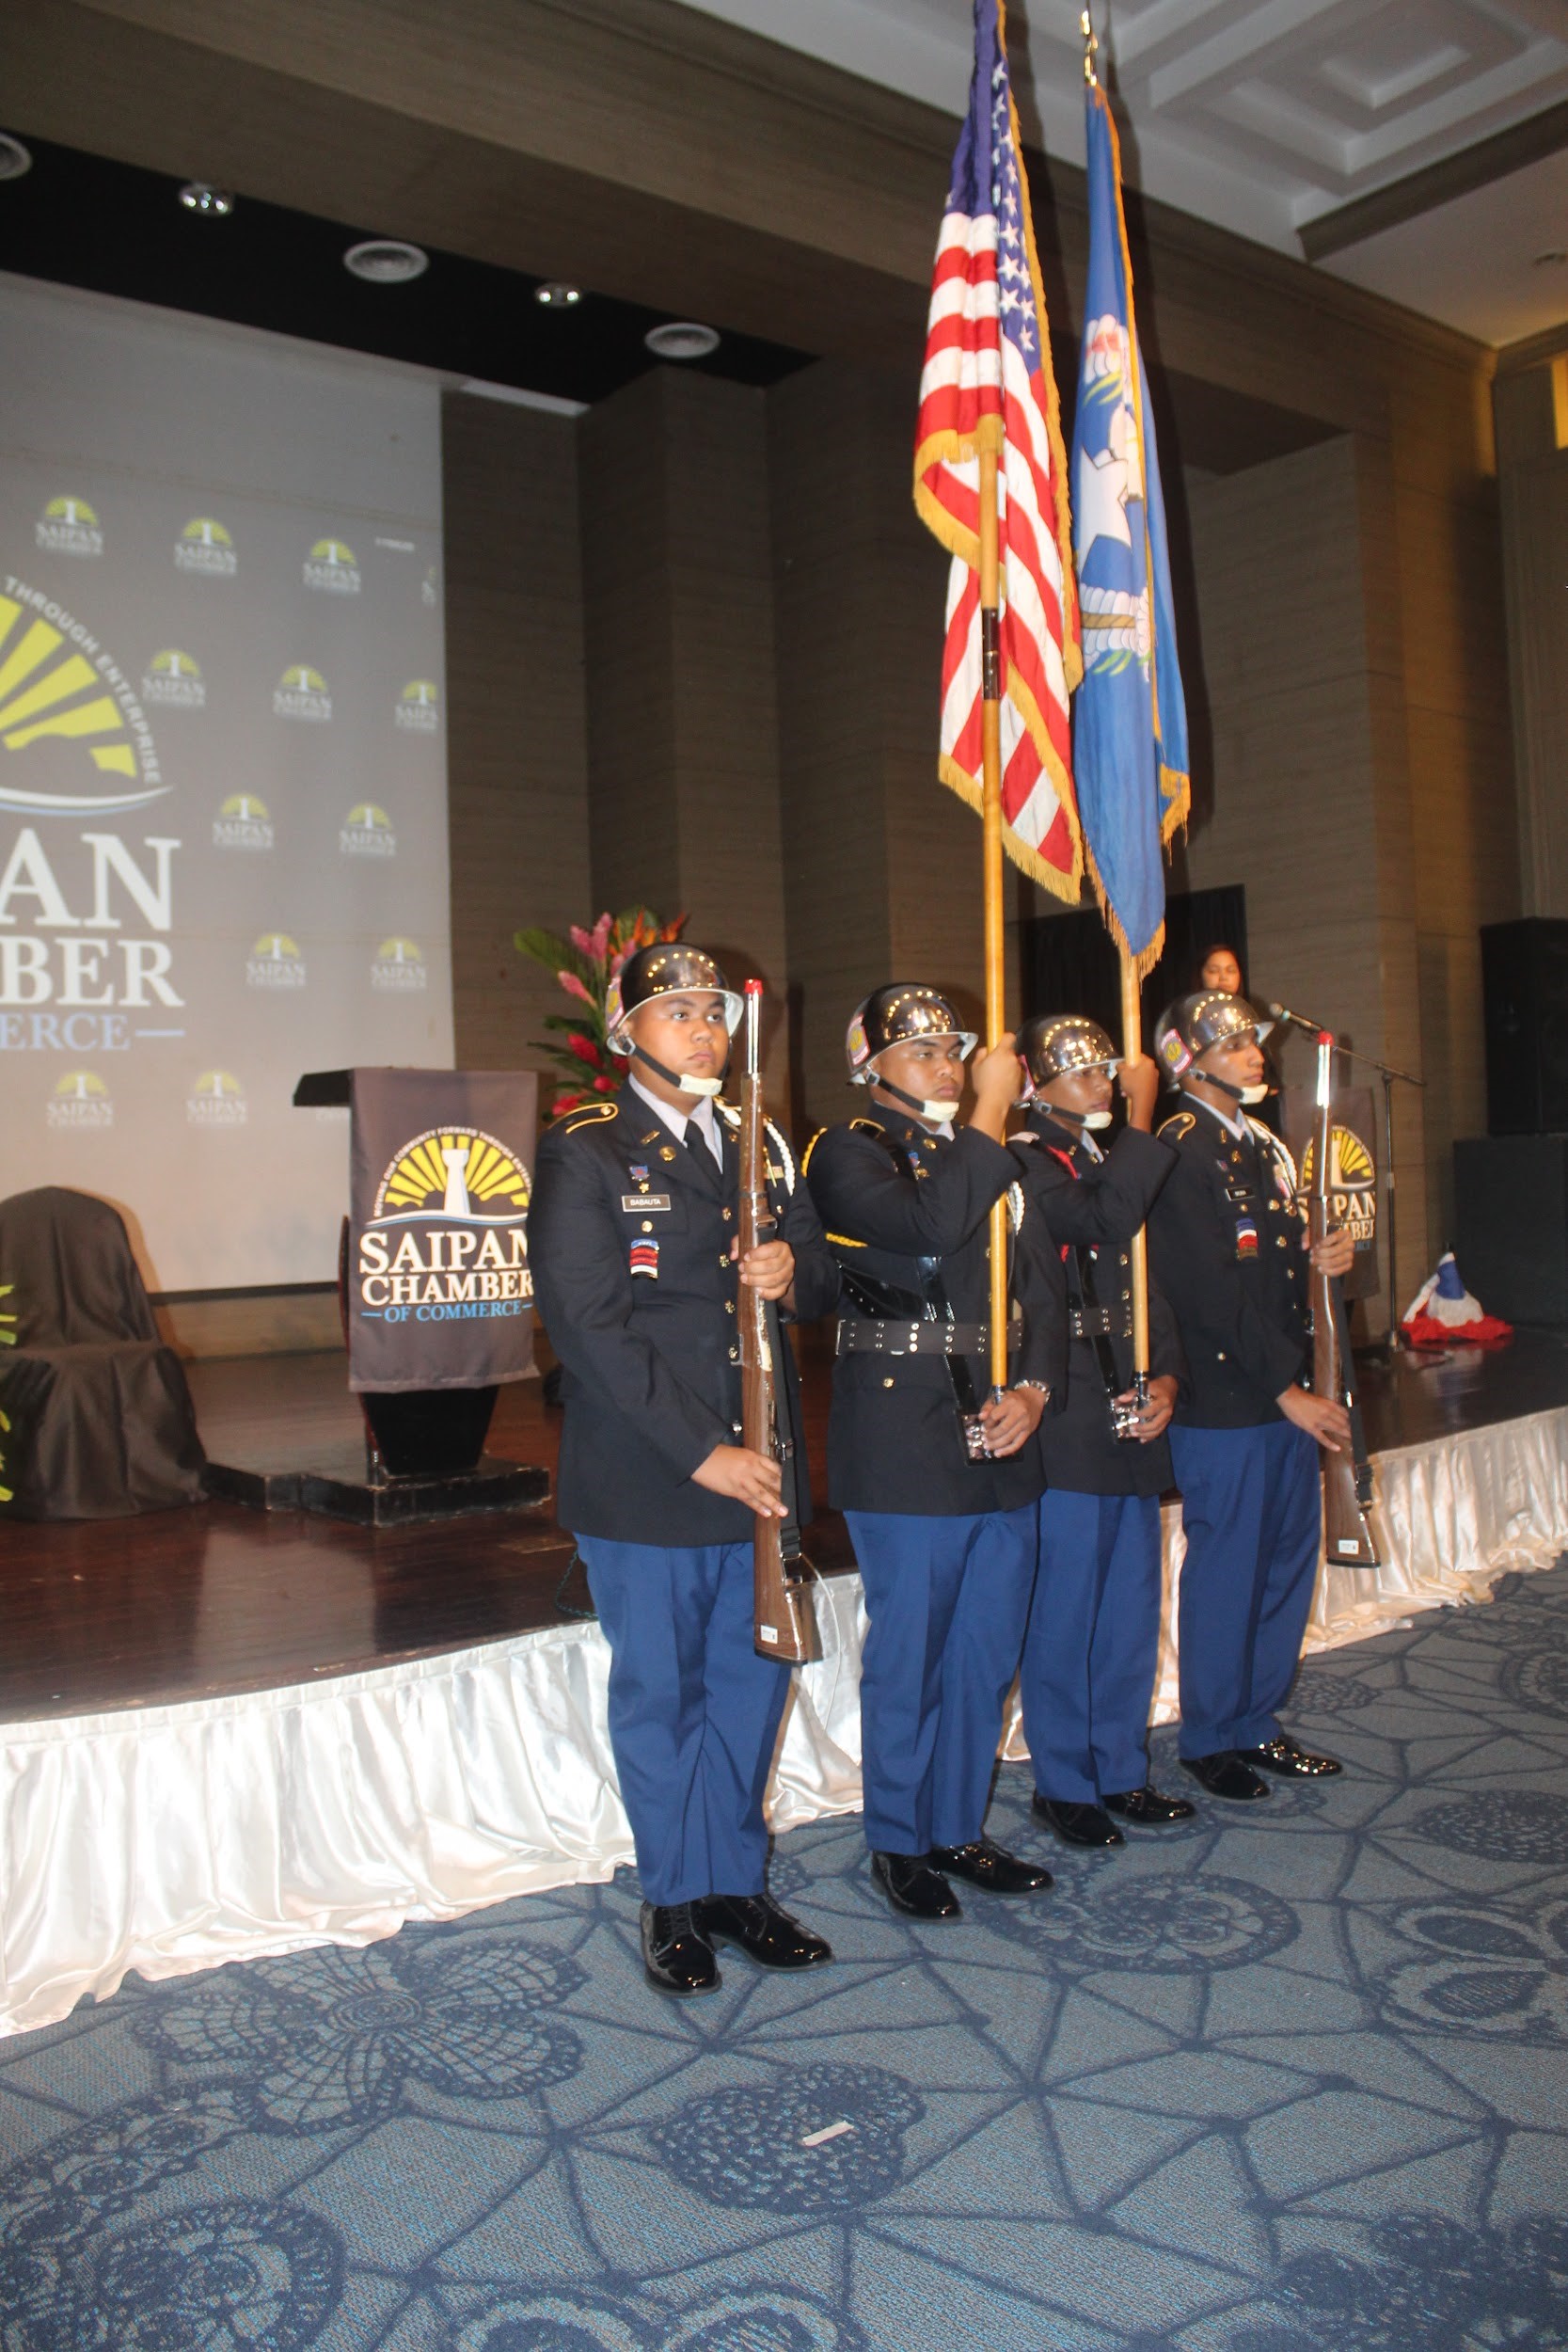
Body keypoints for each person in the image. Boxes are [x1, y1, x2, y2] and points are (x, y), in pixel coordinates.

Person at [528, 944, 841, 1995]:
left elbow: (823, 1281)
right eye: (677, 1013)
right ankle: (672, 1897)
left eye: (713, 1013)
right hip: (652, 1475)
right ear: (626, 1034)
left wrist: (792, 1271)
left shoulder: (759, 1141)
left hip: (762, 1463)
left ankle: (733, 1886)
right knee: (662, 1696)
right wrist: (704, 1451)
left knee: (750, 1687)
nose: (703, 1031)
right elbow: (589, 1326)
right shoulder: (586, 1149)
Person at [803, 982, 1065, 1920]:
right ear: (868, 1067)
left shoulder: (989, 1157)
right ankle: (898, 1838)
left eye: (953, 1051)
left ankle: (956, 1826)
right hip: (904, 1436)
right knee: (911, 1655)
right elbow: (926, 1226)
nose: (947, 1066)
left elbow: (1038, 1294)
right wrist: (990, 1111)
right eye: (921, 1052)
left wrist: (1035, 1391)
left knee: (984, 1652)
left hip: (1004, 1427)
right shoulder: (845, 1151)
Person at [1145, 991, 1354, 1800]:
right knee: (1230, 1569)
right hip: (1228, 1398)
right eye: (1232, 1044)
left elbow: (1274, 1265)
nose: (1253, 1053)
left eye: (1251, 1041)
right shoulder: (1179, 1149)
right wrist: (1283, 1390)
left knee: (1282, 1563)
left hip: (1282, 1385)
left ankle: (1254, 1720)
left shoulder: (1261, 1142)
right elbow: (1204, 1293)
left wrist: (1323, 1255)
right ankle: (1209, 1736)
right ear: (1187, 1061)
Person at [1008, 1015, 1192, 1849]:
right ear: (1033, 1084)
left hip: (1129, 1390)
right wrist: (1143, 1118)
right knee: (1068, 1608)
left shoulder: (1098, 1154)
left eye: (1106, 1071)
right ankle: (1064, 1781)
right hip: (1072, 1404)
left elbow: (1149, 1282)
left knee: (1128, 1606)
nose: (1104, 1084)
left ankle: (1120, 1767)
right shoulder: (1023, 1158)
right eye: (1081, 1072)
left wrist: (1167, 1374)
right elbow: (1103, 1221)